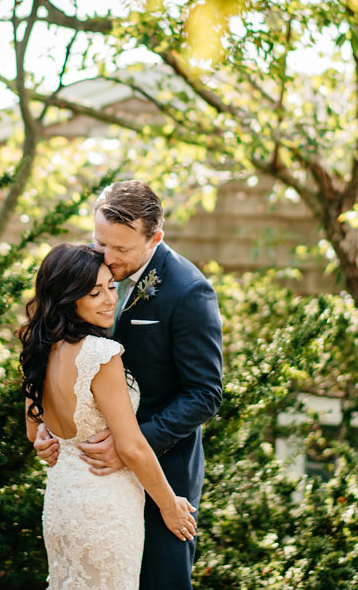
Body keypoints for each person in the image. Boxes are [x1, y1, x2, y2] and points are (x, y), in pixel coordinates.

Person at [33, 181, 224, 590]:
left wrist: (130, 443)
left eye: (121, 249)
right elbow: (58, 359)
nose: (108, 257)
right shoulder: (86, 276)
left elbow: (205, 393)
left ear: (154, 237)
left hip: (161, 468)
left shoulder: (189, 291)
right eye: (101, 243)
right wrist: (50, 426)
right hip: (88, 480)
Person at [19, 242, 197, 590]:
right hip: (103, 508)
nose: (110, 300)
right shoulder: (100, 354)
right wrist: (169, 504)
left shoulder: (39, 347)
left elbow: (33, 431)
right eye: (94, 293)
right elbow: (130, 446)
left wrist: (47, 435)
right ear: (69, 298)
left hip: (61, 502)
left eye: (111, 287)